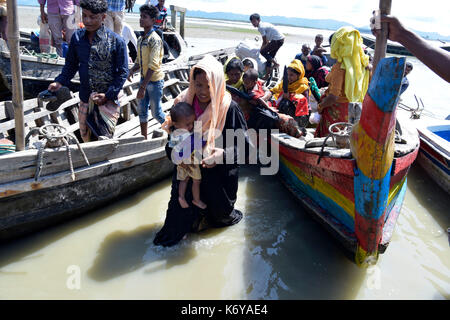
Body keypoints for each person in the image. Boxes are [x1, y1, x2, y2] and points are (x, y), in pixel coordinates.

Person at [154, 54, 249, 247]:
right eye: (198, 85)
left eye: (209, 86)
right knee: (173, 233)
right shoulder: (182, 104)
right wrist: (177, 154)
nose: (203, 91)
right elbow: (170, 142)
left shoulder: (229, 108)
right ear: (192, 82)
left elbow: (246, 149)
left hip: (217, 175)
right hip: (187, 171)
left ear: (218, 82)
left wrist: (221, 155)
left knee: (220, 218)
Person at [48, 0, 128, 142]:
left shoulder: (116, 41)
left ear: (103, 17)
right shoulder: (77, 38)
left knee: (104, 138)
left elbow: (122, 72)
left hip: (108, 101)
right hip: (85, 97)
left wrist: (108, 95)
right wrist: (59, 82)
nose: (87, 20)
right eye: (84, 16)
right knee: (86, 136)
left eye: (92, 17)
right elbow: (71, 66)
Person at [315, 26, 370, 137]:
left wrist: (320, 107)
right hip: (354, 110)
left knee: (330, 140)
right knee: (347, 137)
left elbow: (333, 97)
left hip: (336, 113)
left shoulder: (341, 67)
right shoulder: (364, 64)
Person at [371, 14, 450, 83]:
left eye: (408, 70)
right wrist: (401, 34)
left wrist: (402, 34)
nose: (406, 71)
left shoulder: (405, 82)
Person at [128, 4, 165, 138]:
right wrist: (132, 70)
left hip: (154, 82)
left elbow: (153, 65)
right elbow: (139, 61)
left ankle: (175, 134)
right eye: (140, 16)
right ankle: (144, 138)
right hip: (144, 80)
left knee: (157, 113)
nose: (141, 19)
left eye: (145, 17)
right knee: (142, 111)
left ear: (153, 20)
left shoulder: (155, 40)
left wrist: (142, 87)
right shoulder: (140, 39)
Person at [168, 102, 207, 210]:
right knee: (190, 180)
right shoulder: (177, 135)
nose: (190, 126)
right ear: (175, 124)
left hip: (188, 161)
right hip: (187, 162)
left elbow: (196, 144)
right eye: (187, 124)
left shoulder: (185, 133)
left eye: (192, 123)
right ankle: (187, 198)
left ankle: (189, 198)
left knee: (190, 180)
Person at [270, 59, 309, 128]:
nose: (288, 77)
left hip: (298, 115)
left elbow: (305, 104)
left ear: (299, 75)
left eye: (291, 75)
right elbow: (273, 90)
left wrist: (291, 97)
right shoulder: (284, 83)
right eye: (287, 75)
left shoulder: (303, 87)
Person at [249, 13, 285, 77]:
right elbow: (267, 41)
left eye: (254, 21)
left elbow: (265, 41)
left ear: (259, 20)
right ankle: (266, 76)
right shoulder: (263, 25)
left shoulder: (261, 27)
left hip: (277, 40)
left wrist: (261, 49)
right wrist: (264, 46)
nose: (253, 23)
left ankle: (276, 64)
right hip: (280, 40)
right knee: (270, 57)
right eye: (252, 22)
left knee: (263, 52)